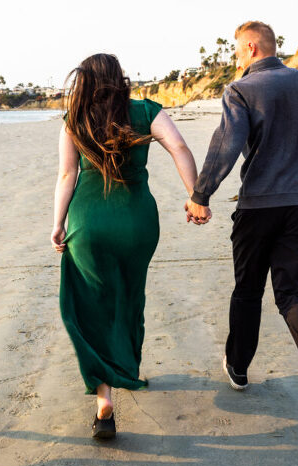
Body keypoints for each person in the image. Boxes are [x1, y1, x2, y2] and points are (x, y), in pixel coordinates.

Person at [185, 21, 298, 419]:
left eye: (238, 52)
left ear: (252, 47)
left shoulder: (241, 90)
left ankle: (239, 369)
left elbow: (225, 146)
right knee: (290, 292)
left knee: (247, 290)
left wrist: (200, 195)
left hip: (258, 206)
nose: (237, 60)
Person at [52, 53, 199, 438]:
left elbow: (67, 173)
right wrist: (196, 195)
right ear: (120, 79)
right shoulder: (146, 110)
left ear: (84, 80)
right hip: (137, 222)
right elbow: (179, 147)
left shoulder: (74, 119)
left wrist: (57, 224)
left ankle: (105, 399)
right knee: (129, 297)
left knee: (89, 304)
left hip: (88, 222)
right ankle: (125, 364)